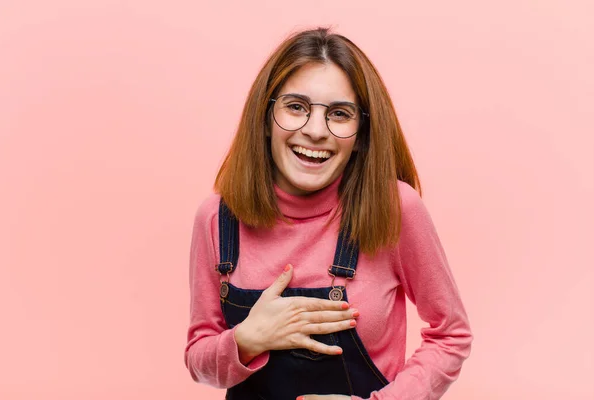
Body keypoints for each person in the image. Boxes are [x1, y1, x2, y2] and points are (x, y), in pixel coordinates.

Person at [184, 27, 473, 400]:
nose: (316, 131)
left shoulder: (395, 209)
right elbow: (198, 360)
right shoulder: (216, 218)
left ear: (361, 134)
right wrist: (246, 339)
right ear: (266, 116)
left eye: (339, 113)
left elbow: (451, 335)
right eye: (296, 107)